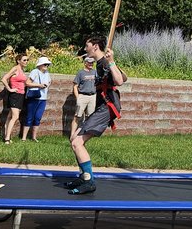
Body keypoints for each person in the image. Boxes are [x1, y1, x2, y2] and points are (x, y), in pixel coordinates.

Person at [66, 36, 127, 195]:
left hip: (107, 107)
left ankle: (88, 181)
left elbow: (120, 81)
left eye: (87, 46)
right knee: (74, 139)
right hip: (101, 106)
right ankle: (83, 176)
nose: (85, 48)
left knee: (77, 142)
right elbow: (124, 77)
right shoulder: (101, 64)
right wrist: (112, 63)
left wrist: (112, 61)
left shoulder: (105, 63)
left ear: (95, 47)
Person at [0, 53, 29, 144]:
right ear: (18, 61)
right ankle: (7, 139)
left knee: (10, 116)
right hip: (15, 95)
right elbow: (4, 79)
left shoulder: (22, 70)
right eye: (24, 60)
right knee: (15, 116)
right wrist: (10, 89)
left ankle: (6, 135)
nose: (26, 62)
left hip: (21, 95)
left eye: (27, 60)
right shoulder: (15, 68)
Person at [21, 56, 52, 142]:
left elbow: (49, 81)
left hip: (43, 98)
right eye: (45, 64)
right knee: (29, 117)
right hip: (34, 97)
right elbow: (27, 83)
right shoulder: (35, 72)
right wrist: (39, 85)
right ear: (40, 65)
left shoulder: (47, 73)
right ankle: (24, 138)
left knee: (38, 117)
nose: (46, 66)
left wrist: (47, 85)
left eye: (47, 65)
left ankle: (34, 137)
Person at [70, 56, 98, 138]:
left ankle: (84, 135)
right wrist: (77, 97)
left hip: (92, 96)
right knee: (77, 116)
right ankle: (72, 135)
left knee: (90, 116)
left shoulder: (95, 72)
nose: (91, 64)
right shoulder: (80, 73)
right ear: (85, 63)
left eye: (92, 62)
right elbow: (75, 86)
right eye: (89, 62)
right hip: (82, 96)